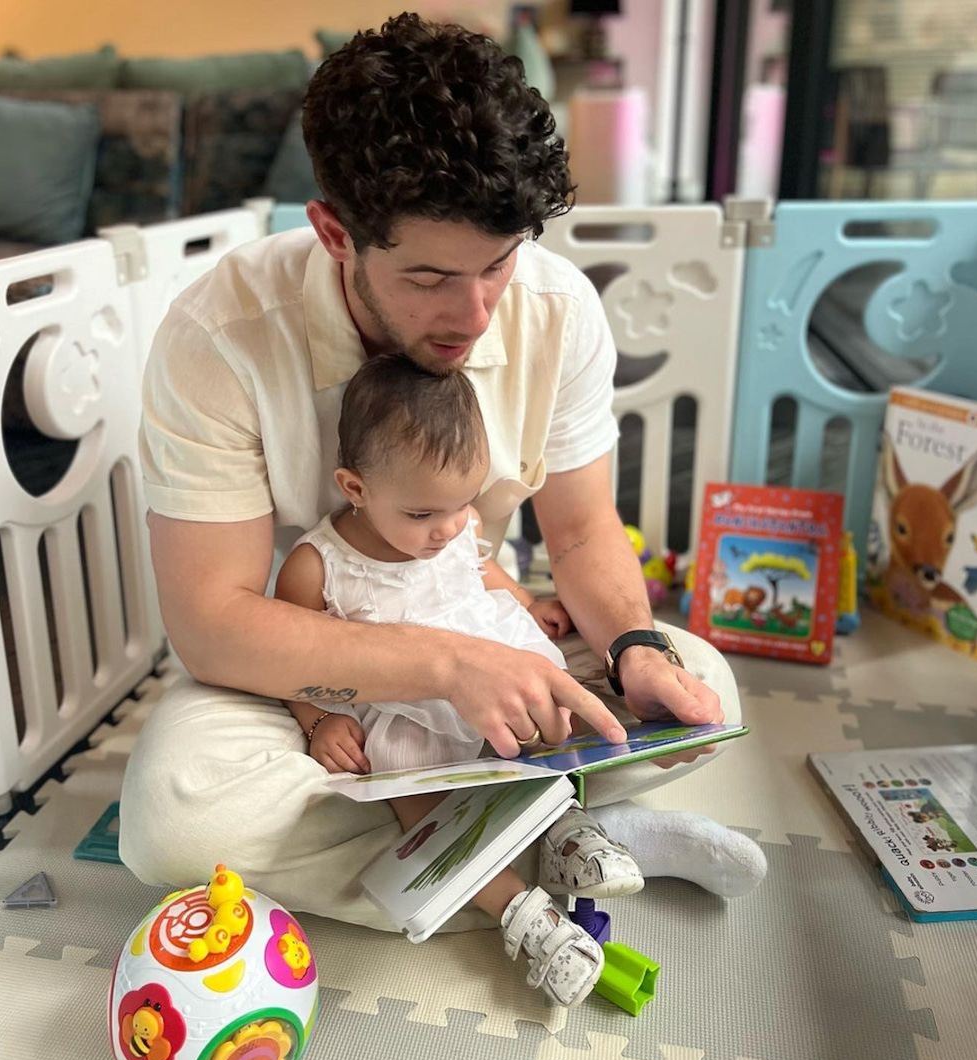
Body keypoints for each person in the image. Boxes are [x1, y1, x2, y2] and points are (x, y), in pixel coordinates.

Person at [119, 12, 766, 932]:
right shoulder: (217, 337)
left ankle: (478, 848)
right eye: (429, 278)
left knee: (704, 688)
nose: (475, 313)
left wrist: (634, 647)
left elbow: (583, 532)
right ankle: (563, 841)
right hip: (311, 677)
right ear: (335, 234)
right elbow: (212, 625)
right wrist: (442, 665)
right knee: (175, 822)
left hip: (483, 622)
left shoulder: (558, 311)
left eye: (498, 264)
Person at [278, 354, 646, 1006]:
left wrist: (528, 605)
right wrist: (320, 720)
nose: (448, 528)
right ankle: (522, 913)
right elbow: (290, 660)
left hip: (494, 660)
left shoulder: (457, 524)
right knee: (414, 794)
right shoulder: (318, 566)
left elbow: (479, 568)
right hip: (407, 704)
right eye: (423, 514)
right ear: (355, 487)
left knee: (556, 713)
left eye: (463, 503)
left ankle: (565, 828)